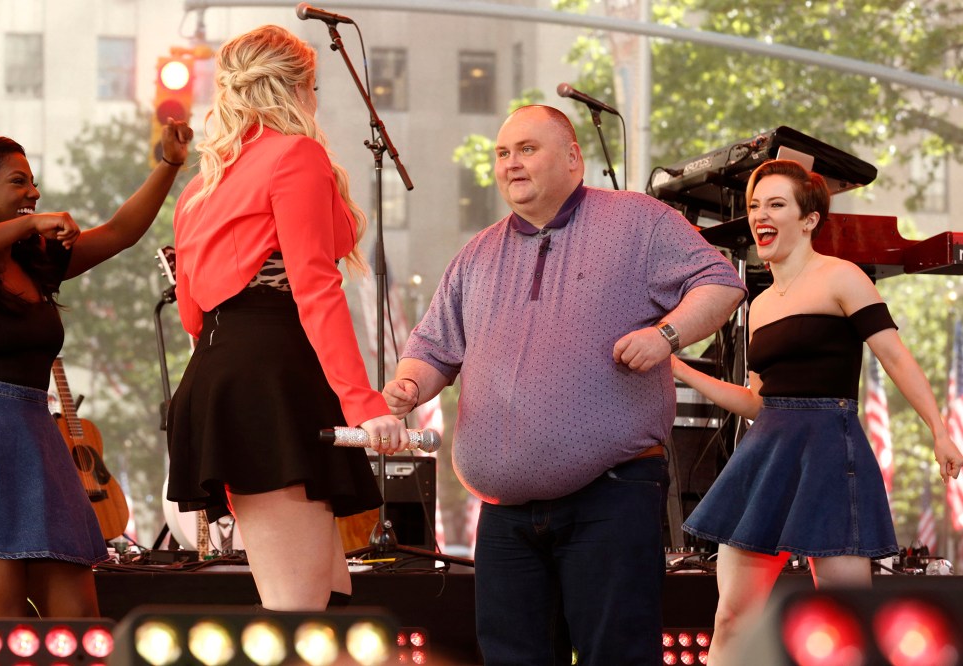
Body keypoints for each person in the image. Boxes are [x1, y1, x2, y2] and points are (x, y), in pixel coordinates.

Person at [382, 105, 747, 665]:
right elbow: (433, 348)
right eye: (502, 154)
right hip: (504, 511)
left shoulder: (637, 221)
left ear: (574, 158)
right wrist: (410, 383)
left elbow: (720, 284)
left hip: (612, 492)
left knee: (616, 656)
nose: (511, 164)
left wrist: (665, 335)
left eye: (527, 149)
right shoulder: (476, 254)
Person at [672, 159, 963, 664]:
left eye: (776, 204)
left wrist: (939, 429)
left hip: (830, 451)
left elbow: (895, 356)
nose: (761, 214)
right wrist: (678, 368)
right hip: (767, 453)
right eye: (755, 206)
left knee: (843, 620)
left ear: (809, 220)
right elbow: (757, 403)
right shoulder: (759, 305)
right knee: (732, 617)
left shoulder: (841, 276)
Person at [166, 25, 409, 613]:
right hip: (273, 377)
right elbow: (316, 288)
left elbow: (193, 314)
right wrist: (364, 402)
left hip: (223, 373)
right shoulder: (295, 155)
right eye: (315, 86)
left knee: (328, 604)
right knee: (298, 613)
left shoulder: (200, 188)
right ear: (296, 87)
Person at [0, 124, 192, 618]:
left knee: (79, 622)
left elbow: (119, 232)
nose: (34, 192)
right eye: (18, 182)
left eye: (33, 181)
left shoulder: (32, 263)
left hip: (35, 434)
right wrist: (28, 224)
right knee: (1, 630)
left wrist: (169, 164)